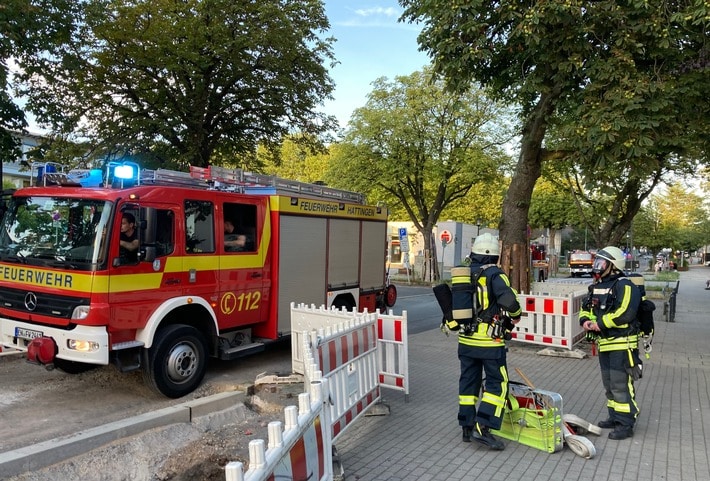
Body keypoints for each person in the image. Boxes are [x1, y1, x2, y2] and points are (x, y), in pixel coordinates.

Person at [458, 233, 522, 450]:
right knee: (498, 383)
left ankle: (466, 426)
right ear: (495, 255)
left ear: (474, 252)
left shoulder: (463, 273)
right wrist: (517, 313)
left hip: (465, 341)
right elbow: (510, 301)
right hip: (489, 342)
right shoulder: (495, 274)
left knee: (468, 383)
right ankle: (483, 426)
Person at [580, 246, 641, 440]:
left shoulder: (625, 285)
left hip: (622, 344)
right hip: (605, 344)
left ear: (613, 265)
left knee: (620, 384)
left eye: (601, 263)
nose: (597, 266)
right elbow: (586, 308)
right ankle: (615, 417)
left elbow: (626, 313)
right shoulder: (597, 286)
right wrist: (586, 321)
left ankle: (626, 424)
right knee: (609, 383)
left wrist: (599, 324)